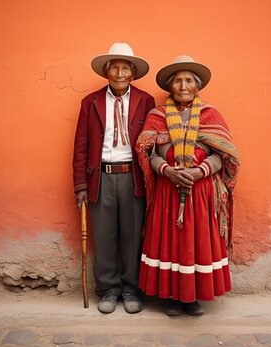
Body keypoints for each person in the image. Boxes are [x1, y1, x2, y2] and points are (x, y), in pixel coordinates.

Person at [136, 55, 239, 316]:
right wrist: (167, 170)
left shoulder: (210, 115)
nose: (183, 86)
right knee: (170, 241)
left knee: (196, 242)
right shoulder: (157, 116)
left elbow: (225, 155)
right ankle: (172, 296)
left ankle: (192, 298)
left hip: (201, 191)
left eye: (189, 81)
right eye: (178, 81)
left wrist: (200, 171)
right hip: (168, 192)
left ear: (198, 86)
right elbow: (148, 153)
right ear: (169, 87)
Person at [72, 43, 155, 314]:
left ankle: (131, 289)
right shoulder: (90, 102)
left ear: (132, 73)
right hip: (102, 177)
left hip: (132, 176)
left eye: (125, 68)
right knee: (104, 235)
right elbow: (81, 145)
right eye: (114, 67)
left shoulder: (145, 101)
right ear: (106, 71)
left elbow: (152, 140)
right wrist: (81, 185)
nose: (119, 73)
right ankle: (108, 289)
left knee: (132, 236)